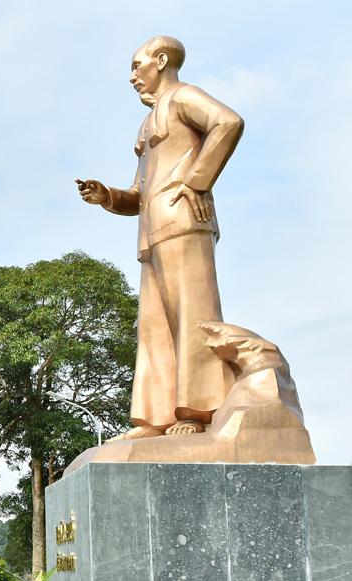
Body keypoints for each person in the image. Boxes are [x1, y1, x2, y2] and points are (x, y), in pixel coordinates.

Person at [76, 36, 244, 437]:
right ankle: (157, 416)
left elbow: (229, 122)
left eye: (138, 65)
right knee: (153, 327)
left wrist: (197, 181)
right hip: (153, 229)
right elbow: (139, 193)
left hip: (185, 219)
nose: (133, 76)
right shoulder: (147, 122)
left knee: (193, 316)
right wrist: (109, 197)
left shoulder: (185, 97)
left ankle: (198, 412)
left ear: (162, 60)